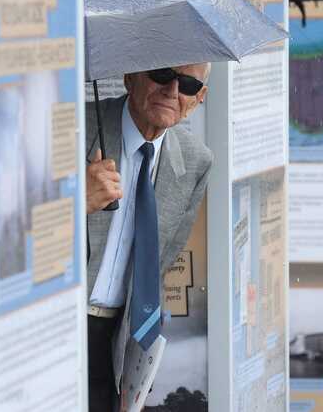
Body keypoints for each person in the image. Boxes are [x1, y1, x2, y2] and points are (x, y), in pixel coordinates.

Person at [85, 64, 212, 412]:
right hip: (55, 325)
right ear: (130, 77)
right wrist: (76, 203)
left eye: (188, 84)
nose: (172, 91)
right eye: (161, 74)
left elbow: (158, 266)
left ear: (199, 98)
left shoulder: (196, 161)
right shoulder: (73, 126)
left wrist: (138, 361)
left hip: (114, 342)